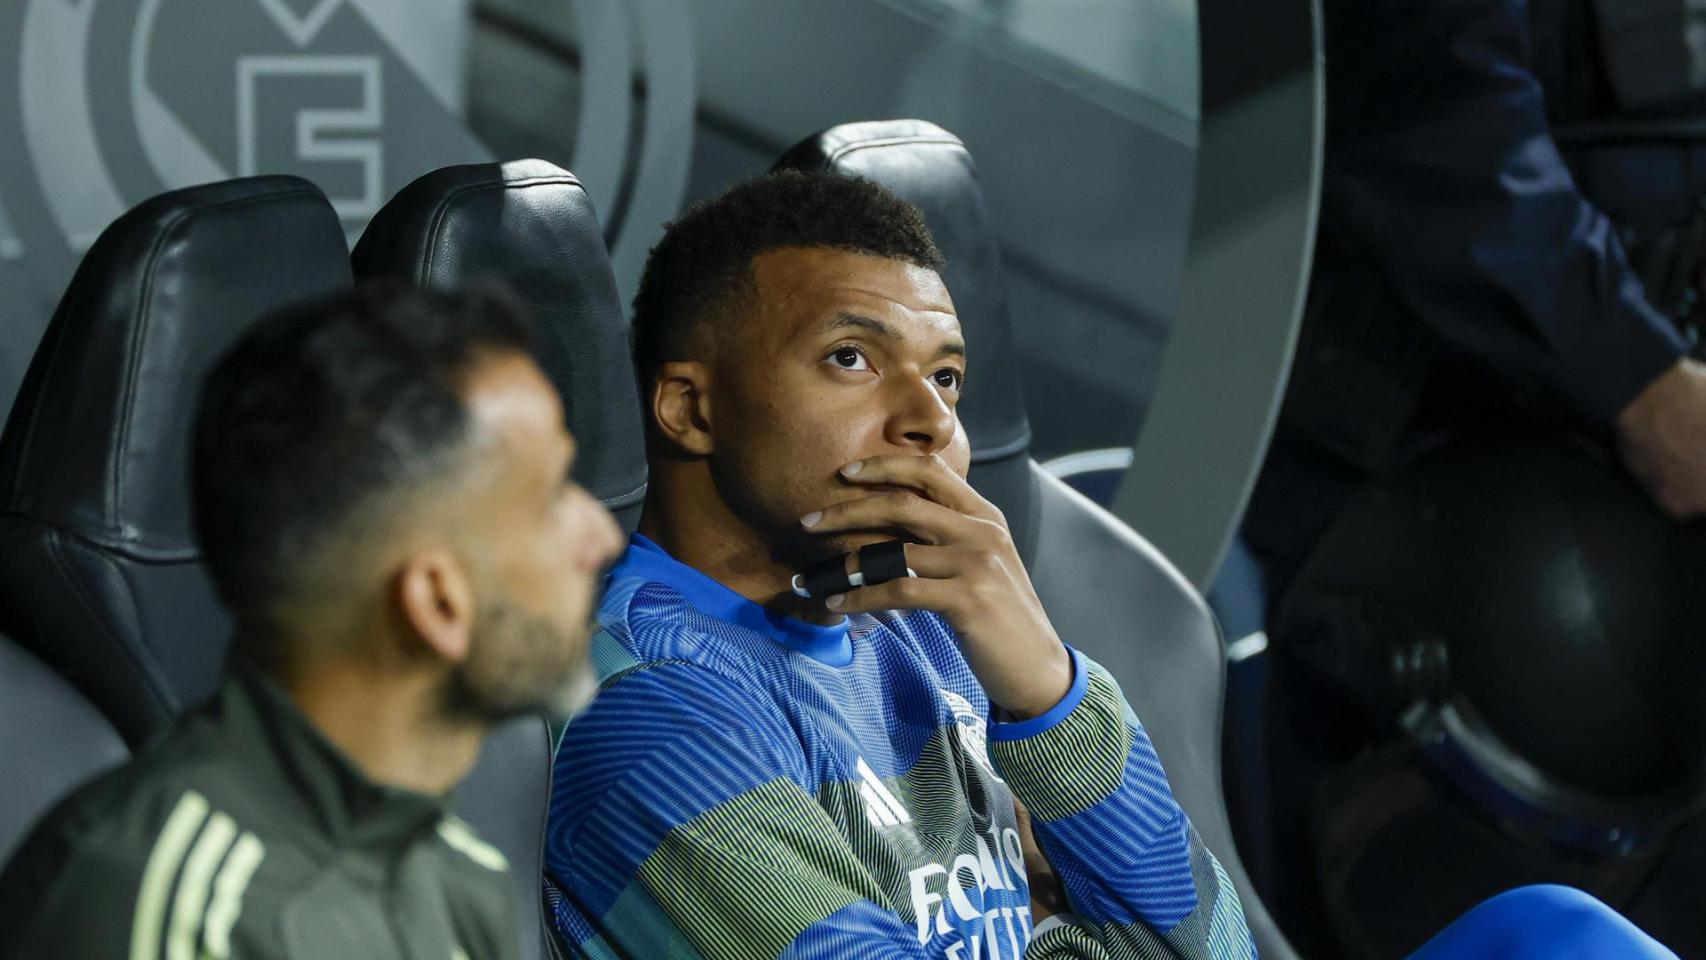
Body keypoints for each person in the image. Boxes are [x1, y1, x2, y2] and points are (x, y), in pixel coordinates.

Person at [541, 170, 1679, 959]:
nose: (926, 422)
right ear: (688, 408)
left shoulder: (926, 615)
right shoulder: (653, 715)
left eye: (944, 378)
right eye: (851, 358)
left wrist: (1043, 681)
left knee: (1554, 932)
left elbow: (1208, 940)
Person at [0, 282, 624, 959]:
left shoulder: (455, 874)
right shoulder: (163, 911)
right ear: (438, 602)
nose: (601, 537)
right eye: (551, 501)